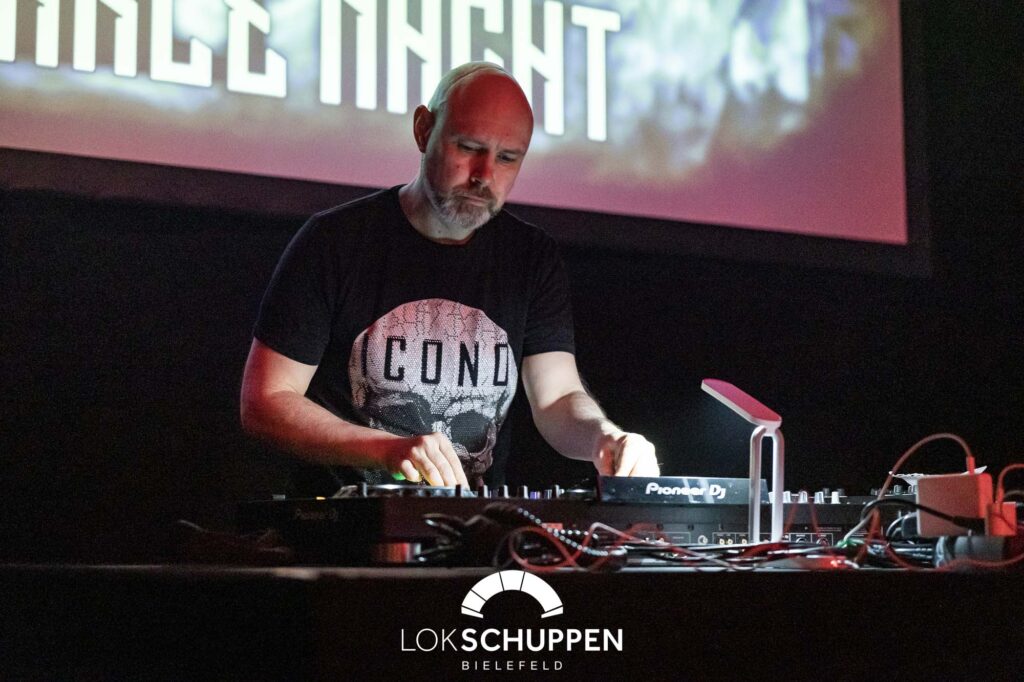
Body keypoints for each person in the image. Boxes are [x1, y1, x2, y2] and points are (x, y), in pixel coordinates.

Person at [240, 62, 659, 493]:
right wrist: (386, 450)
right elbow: (266, 401)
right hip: (345, 521)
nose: (484, 176)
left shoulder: (530, 257)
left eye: (507, 158)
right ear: (424, 131)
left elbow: (556, 398)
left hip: (473, 525)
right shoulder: (334, 242)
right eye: (469, 147)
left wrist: (605, 438)